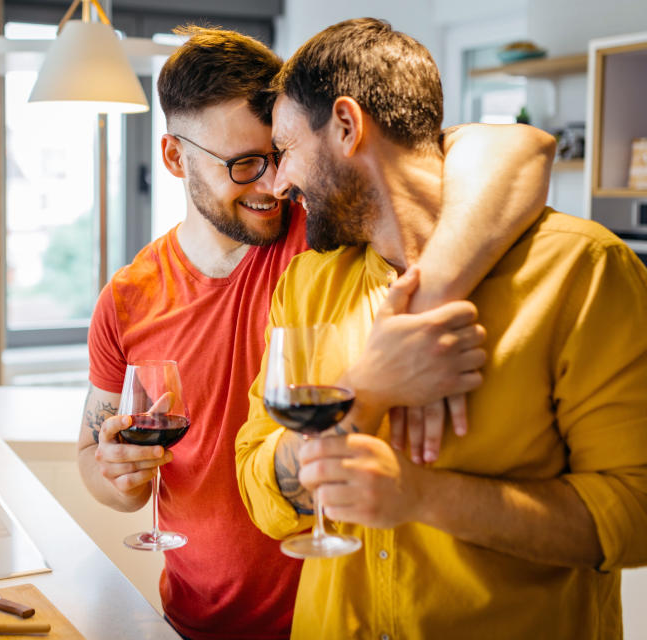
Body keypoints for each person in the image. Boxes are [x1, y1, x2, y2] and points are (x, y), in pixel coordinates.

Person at [79, 26, 555, 640]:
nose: (272, 184)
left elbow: (517, 148)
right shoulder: (127, 297)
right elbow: (94, 458)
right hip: (191, 620)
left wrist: (431, 295)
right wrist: (116, 475)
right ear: (175, 157)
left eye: (278, 154)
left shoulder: (323, 229)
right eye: (244, 164)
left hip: (331, 616)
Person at [235, 18, 647, 639]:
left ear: (347, 126)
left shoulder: (584, 270)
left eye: (286, 149)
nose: (279, 182)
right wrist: (365, 390)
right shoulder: (305, 285)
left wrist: (424, 496)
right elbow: (257, 487)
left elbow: (635, 516)